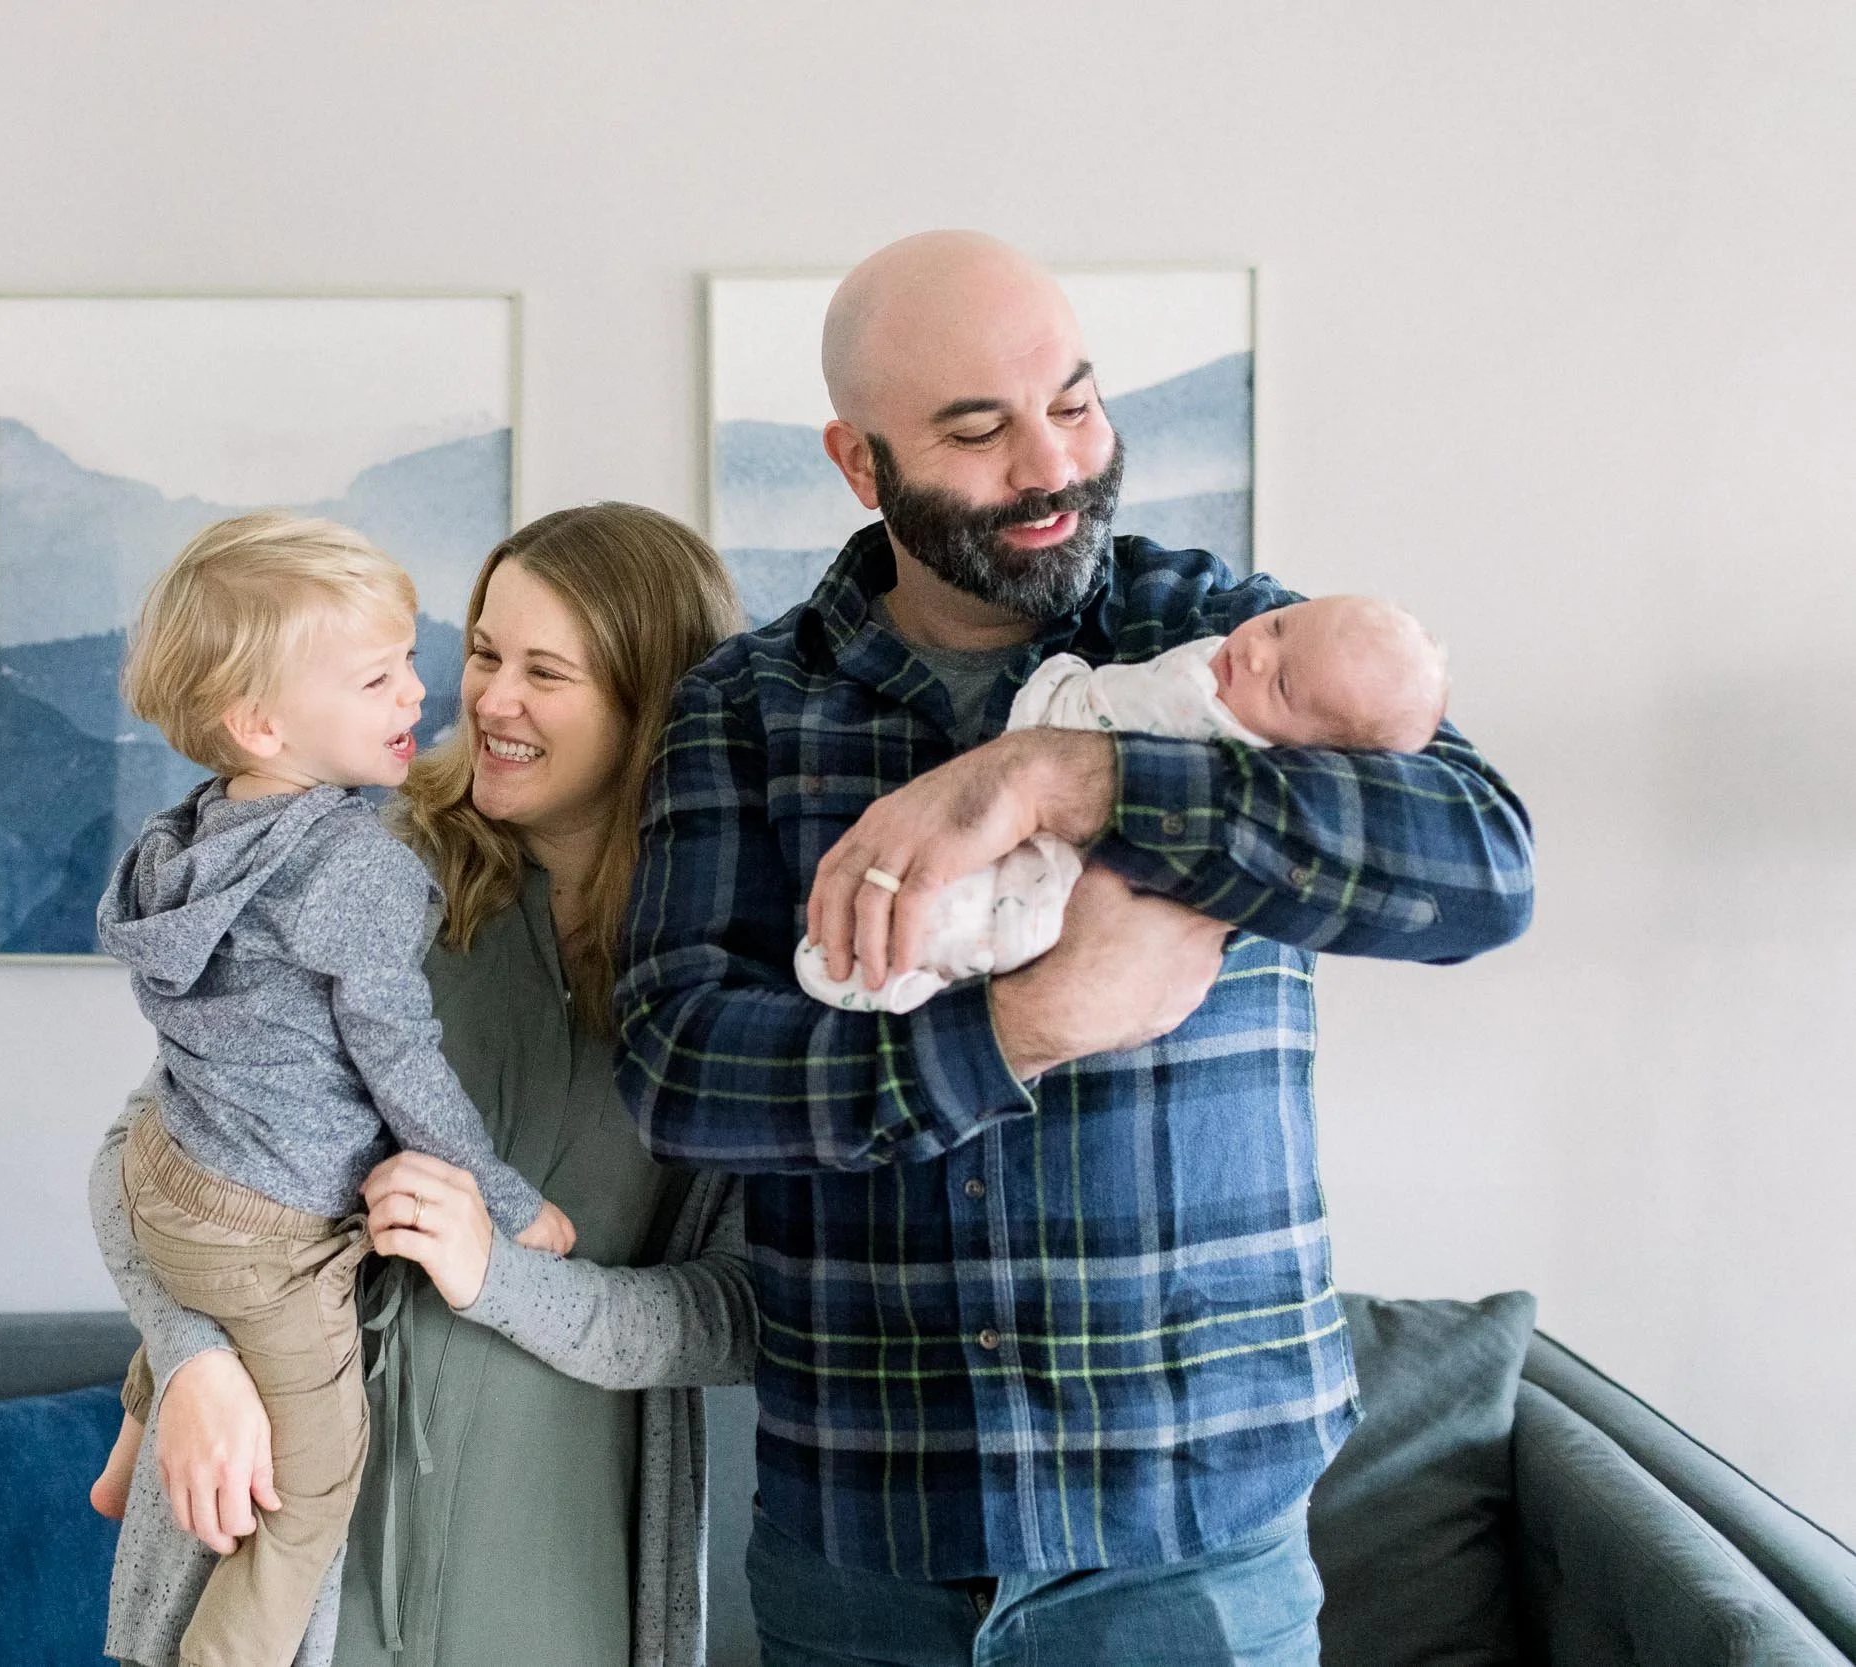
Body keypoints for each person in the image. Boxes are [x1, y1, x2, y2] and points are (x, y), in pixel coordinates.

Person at [617, 231, 1535, 1666]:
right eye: (977, 431)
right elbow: (674, 1067)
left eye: (1079, 401)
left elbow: (1482, 867)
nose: (1051, 465)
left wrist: (1066, 776)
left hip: (1195, 1542)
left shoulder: (1238, 641)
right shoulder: (747, 705)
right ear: (860, 465)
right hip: (865, 1541)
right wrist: (1015, 1029)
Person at [90, 503, 760, 1667]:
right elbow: (140, 1159)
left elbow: (738, 1311)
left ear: (653, 700)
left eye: (545, 671)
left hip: (560, 1568)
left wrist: (500, 1277)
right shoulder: (356, 866)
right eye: (485, 651)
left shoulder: (734, 969)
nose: (488, 699)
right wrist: (186, 1352)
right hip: (288, 1549)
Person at [794, 594, 1451, 1012]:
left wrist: (1059, 769)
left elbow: (1486, 875)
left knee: (979, 917)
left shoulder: (1225, 722)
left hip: (1068, 877)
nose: (1252, 650)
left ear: (1319, 759)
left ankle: (894, 969)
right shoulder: (1220, 646)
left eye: (1279, 685)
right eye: (1278, 624)